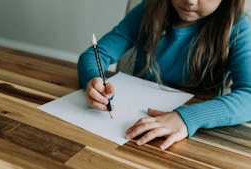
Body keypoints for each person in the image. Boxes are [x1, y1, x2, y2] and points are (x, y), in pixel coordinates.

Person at [77, 0, 251, 150]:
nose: (190, 1)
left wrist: (186, 118)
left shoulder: (237, 26)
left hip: (196, 139)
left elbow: (248, 95)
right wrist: (93, 79)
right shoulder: (149, 8)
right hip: (132, 127)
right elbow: (95, 54)